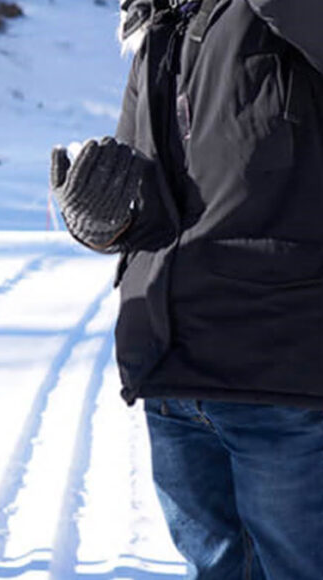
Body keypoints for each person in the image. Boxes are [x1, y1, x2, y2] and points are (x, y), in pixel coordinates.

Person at [50, 0, 323, 577]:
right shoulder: (158, 28)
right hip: (171, 367)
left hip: (281, 371)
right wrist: (103, 220)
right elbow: (147, 199)